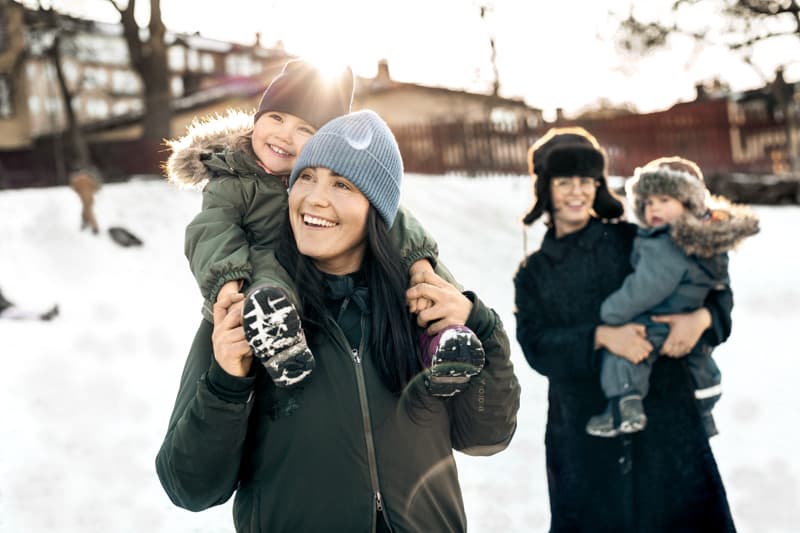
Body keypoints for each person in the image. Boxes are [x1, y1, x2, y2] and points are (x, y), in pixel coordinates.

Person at [156, 110, 521, 532]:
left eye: (342, 184)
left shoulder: (418, 309)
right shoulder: (255, 315)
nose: (314, 198)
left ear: (377, 208)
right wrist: (227, 382)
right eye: (305, 177)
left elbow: (486, 436)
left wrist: (484, 327)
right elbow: (189, 487)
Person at [164, 58, 484, 396]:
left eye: (305, 130)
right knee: (266, 272)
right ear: (257, 120)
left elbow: (392, 215)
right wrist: (229, 287)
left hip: (321, 269)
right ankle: (277, 338)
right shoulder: (231, 179)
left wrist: (420, 265)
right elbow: (212, 232)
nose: (285, 136)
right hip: (262, 278)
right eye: (276, 118)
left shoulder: (324, 175)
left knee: (405, 284)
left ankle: (444, 343)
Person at [513, 127, 737, 532]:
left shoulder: (631, 239)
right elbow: (535, 345)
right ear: (546, 188)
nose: (577, 192)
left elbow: (711, 288)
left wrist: (701, 319)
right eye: (565, 182)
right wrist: (600, 336)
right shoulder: (535, 272)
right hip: (583, 435)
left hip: (666, 422)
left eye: (587, 181)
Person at [586, 156, 759, 439]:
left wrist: (611, 313)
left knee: (628, 354)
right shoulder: (706, 241)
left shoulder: (664, 242)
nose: (654, 207)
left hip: (658, 325)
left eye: (664, 199)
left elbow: (650, 286)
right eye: (648, 201)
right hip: (689, 366)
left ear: (690, 203)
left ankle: (625, 403)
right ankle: (701, 412)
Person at [69, 168, 101, 234]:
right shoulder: (88, 179)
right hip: (90, 198)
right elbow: (96, 188)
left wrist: (79, 191)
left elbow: (73, 188)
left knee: (88, 212)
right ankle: (85, 224)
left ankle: (95, 228)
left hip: (84, 198)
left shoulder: (75, 180)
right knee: (86, 211)